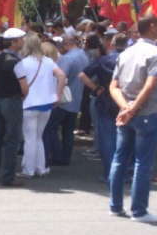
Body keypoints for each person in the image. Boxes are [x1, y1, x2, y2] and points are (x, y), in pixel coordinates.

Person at [108, 14, 157, 222]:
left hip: (126, 112)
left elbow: (114, 86)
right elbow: (150, 85)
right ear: (152, 27)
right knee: (142, 162)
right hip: (146, 113)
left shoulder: (125, 53)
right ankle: (139, 210)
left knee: (120, 158)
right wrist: (132, 109)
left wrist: (125, 107)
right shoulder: (156, 52)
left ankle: (115, 205)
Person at [0, 28, 28, 187]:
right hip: (12, 101)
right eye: (21, 40)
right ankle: (7, 177)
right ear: (14, 42)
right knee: (11, 140)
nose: (23, 42)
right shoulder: (16, 62)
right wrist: (23, 95)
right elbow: (24, 86)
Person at [18, 34, 66, 178]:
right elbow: (62, 76)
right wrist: (58, 95)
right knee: (38, 137)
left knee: (30, 138)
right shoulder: (48, 61)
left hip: (29, 104)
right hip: (47, 104)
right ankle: (40, 168)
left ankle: (28, 170)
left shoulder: (23, 63)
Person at [79, 33, 123, 181]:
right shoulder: (131, 59)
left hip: (106, 100)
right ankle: (127, 171)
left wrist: (96, 88)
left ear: (111, 44)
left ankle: (110, 172)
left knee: (107, 138)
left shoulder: (103, 60)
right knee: (128, 136)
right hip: (128, 100)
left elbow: (83, 75)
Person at [43, 31, 88, 166]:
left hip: (63, 99)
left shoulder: (67, 58)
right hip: (76, 97)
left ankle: (57, 155)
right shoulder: (83, 55)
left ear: (66, 45)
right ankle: (65, 156)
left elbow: (60, 77)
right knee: (68, 130)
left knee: (51, 127)